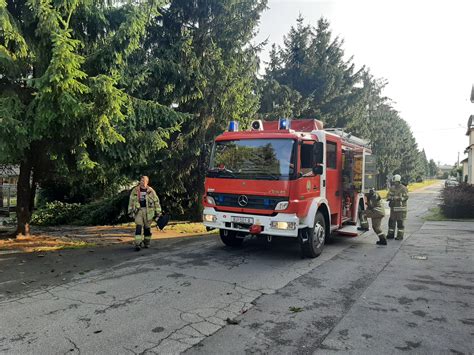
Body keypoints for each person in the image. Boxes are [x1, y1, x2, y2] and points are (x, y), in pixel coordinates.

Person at [128, 176, 162, 251]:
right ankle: (138, 243)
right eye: (141, 180)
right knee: (138, 226)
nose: (142, 182)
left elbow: (156, 201)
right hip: (138, 211)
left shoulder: (151, 191)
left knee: (147, 228)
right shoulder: (135, 190)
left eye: (144, 181)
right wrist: (130, 211)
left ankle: (147, 242)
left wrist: (158, 212)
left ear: (147, 182)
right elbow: (131, 201)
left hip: (149, 212)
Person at [386, 174, 409, 240]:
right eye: (394, 182)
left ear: (398, 181)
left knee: (400, 223)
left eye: (395, 182)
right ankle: (390, 235)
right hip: (393, 208)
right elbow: (388, 196)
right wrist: (390, 198)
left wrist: (399, 198)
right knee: (391, 222)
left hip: (400, 208)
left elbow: (406, 197)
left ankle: (400, 236)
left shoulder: (404, 188)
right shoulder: (392, 188)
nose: (394, 183)